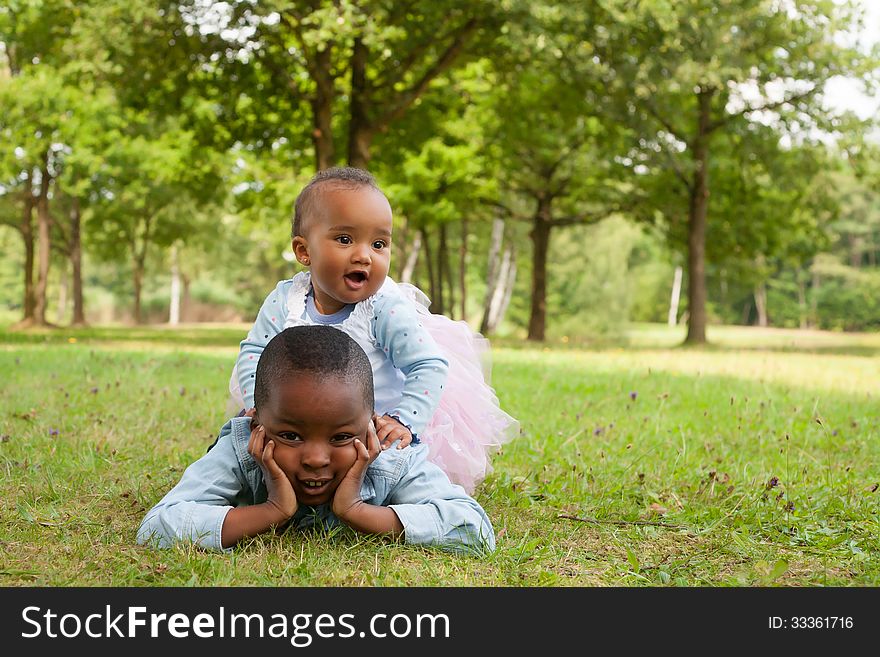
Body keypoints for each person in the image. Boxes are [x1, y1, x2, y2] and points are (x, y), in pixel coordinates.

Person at [228, 166, 518, 493]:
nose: (364, 255)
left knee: (387, 482)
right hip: (303, 427)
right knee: (245, 453)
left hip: (370, 428)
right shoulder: (286, 300)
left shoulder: (382, 308)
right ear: (304, 251)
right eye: (345, 239)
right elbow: (256, 352)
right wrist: (263, 406)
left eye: (379, 243)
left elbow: (428, 365)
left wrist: (403, 421)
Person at [138, 326, 495, 554]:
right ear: (257, 423)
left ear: (371, 424)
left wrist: (357, 512)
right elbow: (157, 527)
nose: (315, 458)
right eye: (290, 435)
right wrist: (271, 511)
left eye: (341, 437)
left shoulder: (389, 455)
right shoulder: (241, 450)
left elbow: (474, 529)